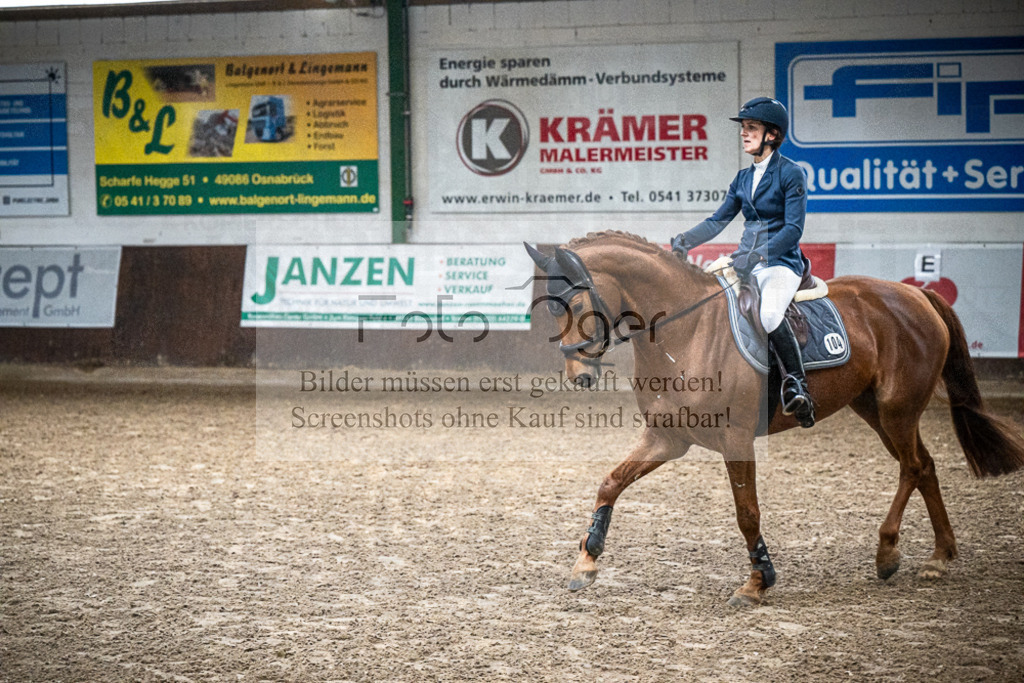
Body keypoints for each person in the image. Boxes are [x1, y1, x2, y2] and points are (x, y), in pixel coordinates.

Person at [670, 97, 815, 427]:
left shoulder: (791, 174)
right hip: (745, 262)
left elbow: (793, 228)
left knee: (768, 313)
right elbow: (718, 220)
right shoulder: (741, 179)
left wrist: (760, 255)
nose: (744, 133)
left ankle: (797, 384)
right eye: (744, 128)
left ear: (772, 134)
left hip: (780, 263)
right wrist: (685, 240)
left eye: (751, 128)